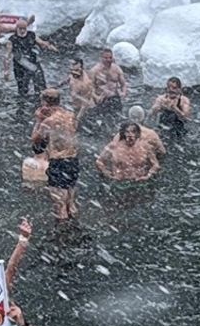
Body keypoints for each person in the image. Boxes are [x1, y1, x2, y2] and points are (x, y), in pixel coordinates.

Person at [31, 89, 80, 220]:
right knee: (71, 204)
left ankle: (62, 236)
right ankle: (76, 230)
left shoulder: (49, 122)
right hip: (73, 161)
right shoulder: (71, 115)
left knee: (60, 207)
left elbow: (35, 140)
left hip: (59, 163)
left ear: (45, 103)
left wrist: (38, 120)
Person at [4, 14, 54, 99]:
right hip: (20, 67)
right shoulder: (12, 40)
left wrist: (49, 46)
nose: (23, 31)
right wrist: (6, 70)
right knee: (23, 90)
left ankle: (41, 102)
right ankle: (23, 105)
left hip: (33, 64)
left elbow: (42, 43)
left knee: (40, 87)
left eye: (24, 29)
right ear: (17, 28)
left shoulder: (32, 35)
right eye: (20, 29)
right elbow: (7, 56)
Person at [95, 122, 160, 182]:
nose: (130, 134)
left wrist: (148, 176)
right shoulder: (114, 146)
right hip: (119, 183)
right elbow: (99, 161)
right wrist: (108, 174)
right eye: (127, 132)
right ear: (123, 133)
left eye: (133, 131)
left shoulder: (145, 146)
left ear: (137, 133)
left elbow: (155, 164)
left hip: (139, 183)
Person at [89, 48, 129, 123]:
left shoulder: (116, 69)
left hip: (115, 98)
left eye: (110, 57)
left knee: (117, 120)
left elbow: (123, 84)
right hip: (102, 100)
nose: (108, 60)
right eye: (106, 58)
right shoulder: (95, 71)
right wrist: (96, 97)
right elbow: (90, 88)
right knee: (102, 122)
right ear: (101, 58)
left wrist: (123, 93)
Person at [64, 58, 95, 125]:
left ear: (81, 69)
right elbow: (67, 80)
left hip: (85, 110)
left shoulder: (86, 83)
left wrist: (78, 118)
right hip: (75, 106)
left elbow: (85, 103)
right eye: (72, 70)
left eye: (76, 70)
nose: (74, 73)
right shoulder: (73, 74)